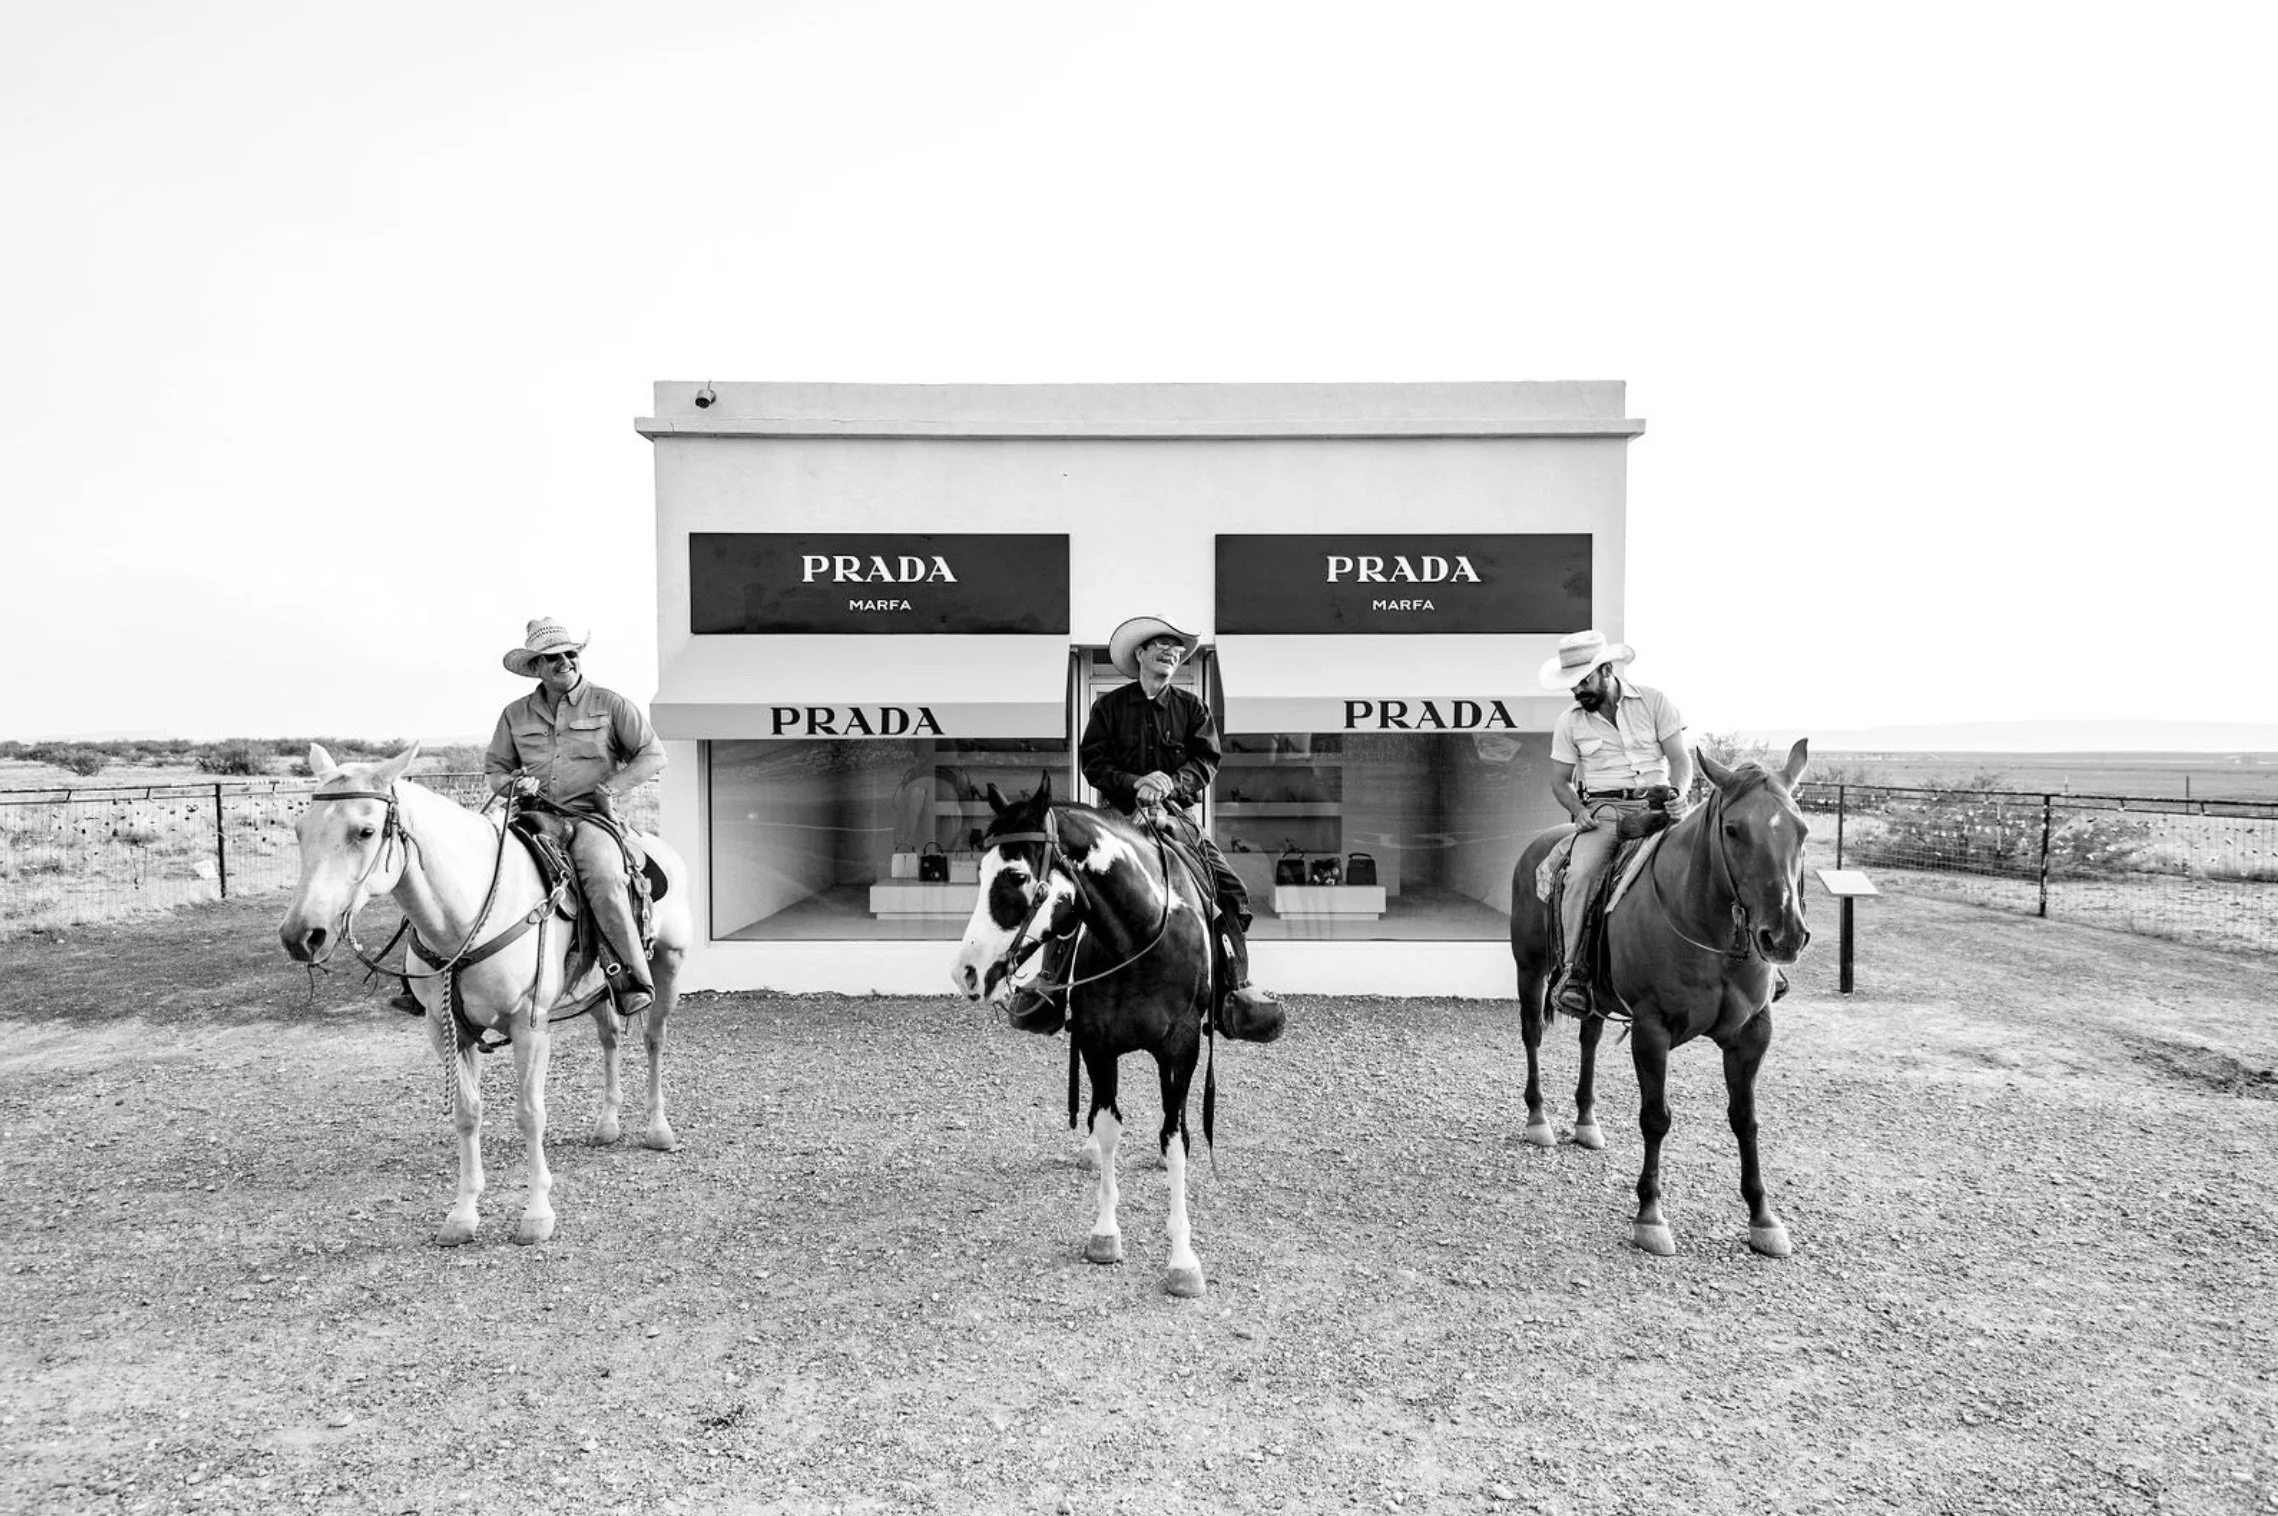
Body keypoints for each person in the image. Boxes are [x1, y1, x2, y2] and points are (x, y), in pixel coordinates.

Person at [1005, 615, 1283, 1041]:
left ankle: (1234, 989)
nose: (1171, 653)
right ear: (1140, 654)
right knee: (1072, 888)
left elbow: (1206, 762)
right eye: (1161, 646)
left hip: (1175, 816)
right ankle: (1049, 988)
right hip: (1115, 818)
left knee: (1228, 889)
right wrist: (1137, 784)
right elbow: (1094, 763)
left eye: (1177, 648)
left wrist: (1170, 784)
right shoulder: (1108, 708)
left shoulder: (1193, 709)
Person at [386, 618, 666, 1017]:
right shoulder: (514, 715)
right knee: (450, 868)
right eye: (553, 658)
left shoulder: (611, 704)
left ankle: (629, 978)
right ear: (535, 667)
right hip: (529, 815)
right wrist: (512, 784)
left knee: (603, 876)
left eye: (571, 654)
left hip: (589, 818)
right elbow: (496, 770)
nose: (565, 662)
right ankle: (419, 981)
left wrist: (610, 789)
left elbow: (654, 754)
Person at [1542, 629, 1692, 1017]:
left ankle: (1752, 958)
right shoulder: (1569, 722)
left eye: (1584, 682)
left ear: (1607, 670)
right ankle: (1573, 971)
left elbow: (1680, 761)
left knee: (1717, 855)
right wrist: (1578, 810)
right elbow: (1559, 781)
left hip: (1659, 805)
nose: (1578, 692)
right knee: (1581, 875)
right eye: (1572, 686)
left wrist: (1678, 796)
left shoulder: (1655, 702)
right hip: (1607, 813)